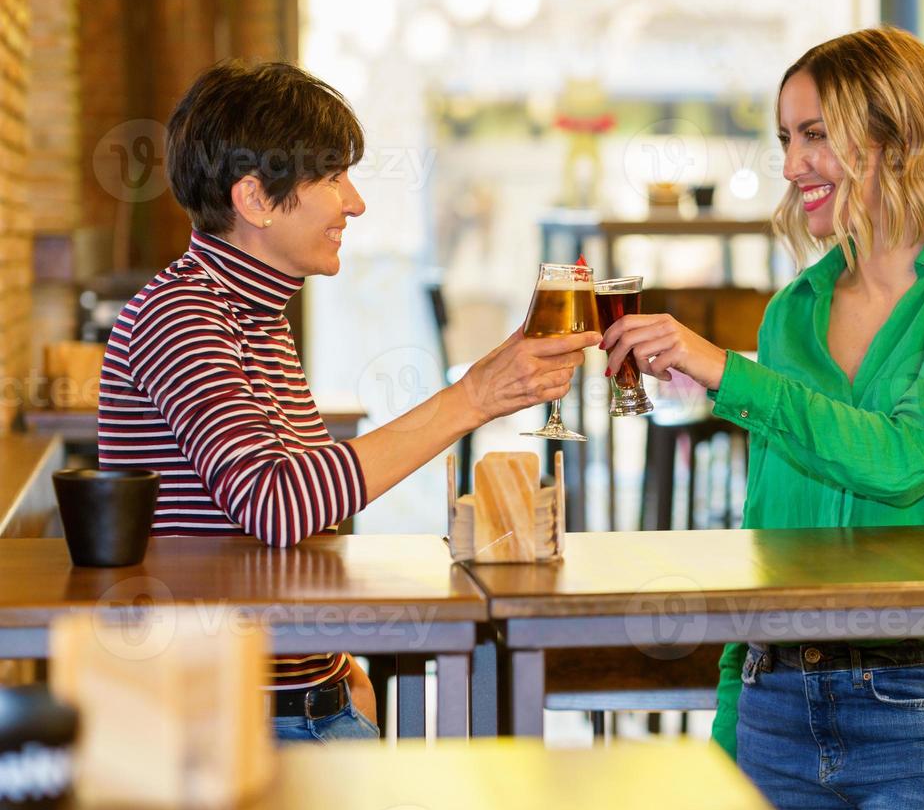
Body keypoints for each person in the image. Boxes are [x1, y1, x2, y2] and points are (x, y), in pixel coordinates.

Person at [600, 27, 924, 810]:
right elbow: (768, 535)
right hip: (779, 702)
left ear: (894, 139)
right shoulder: (792, 314)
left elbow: (906, 462)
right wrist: (729, 728)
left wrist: (728, 374)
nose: (793, 164)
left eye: (814, 135)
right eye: (785, 139)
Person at [98, 61, 599, 743]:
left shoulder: (255, 315)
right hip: (224, 727)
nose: (354, 203)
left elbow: (286, 536)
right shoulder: (182, 315)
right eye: (331, 177)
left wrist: (333, 667)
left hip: (297, 700)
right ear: (255, 199)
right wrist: (471, 398)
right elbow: (276, 504)